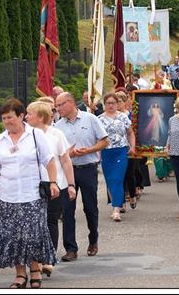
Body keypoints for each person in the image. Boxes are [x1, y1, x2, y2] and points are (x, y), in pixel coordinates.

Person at [0, 98, 59, 289]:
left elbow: (49, 160)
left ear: (21, 116)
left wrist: (53, 182)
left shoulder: (35, 135)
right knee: (13, 236)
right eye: (4, 118)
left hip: (32, 194)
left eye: (10, 117)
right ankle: (20, 274)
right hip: (7, 196)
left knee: (32, 235)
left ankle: (35, 270)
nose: (7, 122)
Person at [54, 92, 109, 262]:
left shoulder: (90, 119)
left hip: (87, 168)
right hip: (67, 171)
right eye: (56, 106)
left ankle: (93, 240)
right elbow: (56, 152)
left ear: (70, 103)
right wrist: (67, 154)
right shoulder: (57, 126)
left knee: (90, 208)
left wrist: (90, 150)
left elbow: (105, 141)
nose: (58, 109)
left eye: (60, 105)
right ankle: (71, 248)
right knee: (67, 210)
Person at [25, 100, 76, 278]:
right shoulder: (25, 135)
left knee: (50, 221)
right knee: (33, 224)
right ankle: (35, 261)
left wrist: (71, 184)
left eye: (29, 113)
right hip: (31, 186)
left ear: (40, 117)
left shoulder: (56, 134)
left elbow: (65, 161)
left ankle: (48, 258)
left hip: (54, 184)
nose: (25, 117)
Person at [98, 93, 136, 222]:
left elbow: (130, 133)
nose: (110, 105)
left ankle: (116, 209)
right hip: (106, 152)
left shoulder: (123, 117)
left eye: (113, 103)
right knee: (110, 180)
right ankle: (116, 202)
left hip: (120, 150)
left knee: (118, 178)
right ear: (104, 104)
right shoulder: (99, 119)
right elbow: (95, 138)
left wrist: (133, 146)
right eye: (108, 103)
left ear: (117, 104)